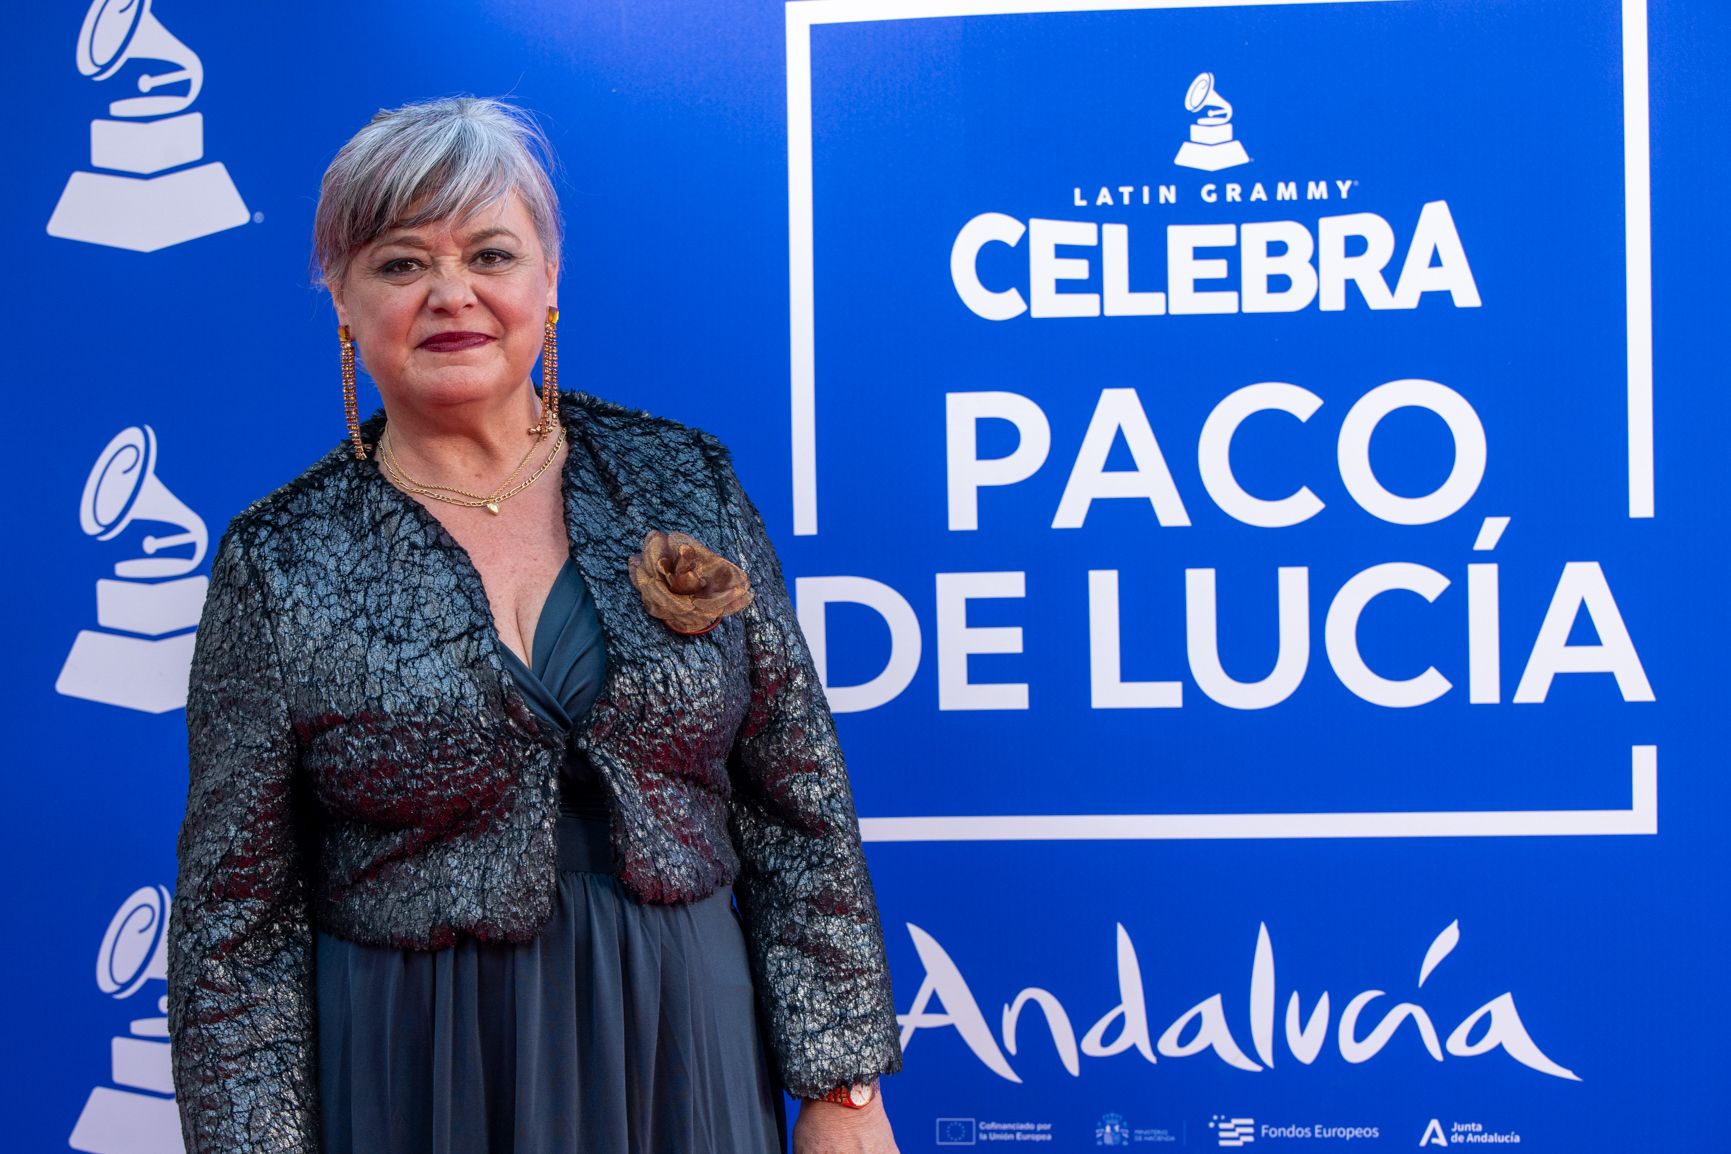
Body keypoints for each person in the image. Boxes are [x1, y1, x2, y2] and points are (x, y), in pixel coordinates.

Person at [166, 95, 903, 1154]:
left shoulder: (682, 484)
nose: (451, 293)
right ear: (341, 298)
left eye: (491, 253)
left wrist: (843, 1092)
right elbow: (235, 920)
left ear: (548, 281)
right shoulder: (280, 559)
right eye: (399, 263)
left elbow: (799, 807)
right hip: (414, 1071)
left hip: (679, 1045)